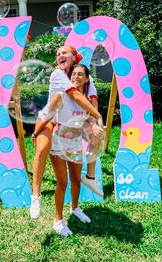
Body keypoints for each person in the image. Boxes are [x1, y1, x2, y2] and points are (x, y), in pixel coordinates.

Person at [30, 46, 104, 219]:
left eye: (64, 53)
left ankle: (90, 178)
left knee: (95, 136)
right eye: (57, 54)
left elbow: (92, 100)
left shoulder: (85, 77)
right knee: (42, 148)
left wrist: (93, 122)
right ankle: (35, 196)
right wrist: (97, 117)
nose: (59, 56)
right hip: (48, 119)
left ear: (74, 57)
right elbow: (75, 96)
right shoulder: (58, 75)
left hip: (66, 122)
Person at [48, 64, 103, 236]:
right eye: (73, 74)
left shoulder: (85, 98)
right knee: (62, 183)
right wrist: (37, 133)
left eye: (80, 74)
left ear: (87, 79)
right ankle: (58, 220)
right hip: (58, 141)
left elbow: (91, 116)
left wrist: (94, 125)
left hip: (75, 142)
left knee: (76, 180)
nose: (76, 76)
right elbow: (47, 114)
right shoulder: (64, 92)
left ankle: (75, 208)